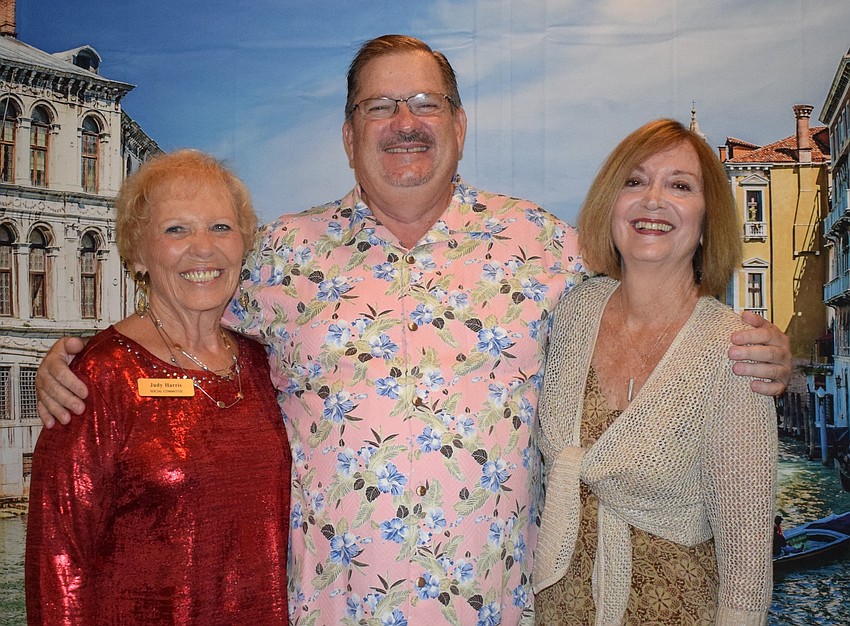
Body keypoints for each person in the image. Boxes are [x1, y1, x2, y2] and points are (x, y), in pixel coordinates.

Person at [35, 36, 791, 625]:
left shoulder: (543, 244)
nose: (405, 124)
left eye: (426, 103)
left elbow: (652, 287)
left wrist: (762, 347)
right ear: (347, 132)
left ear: (459, 125)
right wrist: (79, 359)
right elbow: (182, 304)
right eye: (380, 107)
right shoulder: (281, 256)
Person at [25, 150, 291, 624]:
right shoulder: (99, 376)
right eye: (176, 230)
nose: (203, 248)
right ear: (138, 253)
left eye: (221, 227)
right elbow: (58, 560)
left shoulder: (263, 365)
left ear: (243, 245)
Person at [532, 119, 777, 625]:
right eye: (635, 181)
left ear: (709, 219)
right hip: (557, 606)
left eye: (680, 185)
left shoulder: (734, 350)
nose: (653, 201)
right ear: (610, 203)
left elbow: (748, 561)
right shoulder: (573, 313)